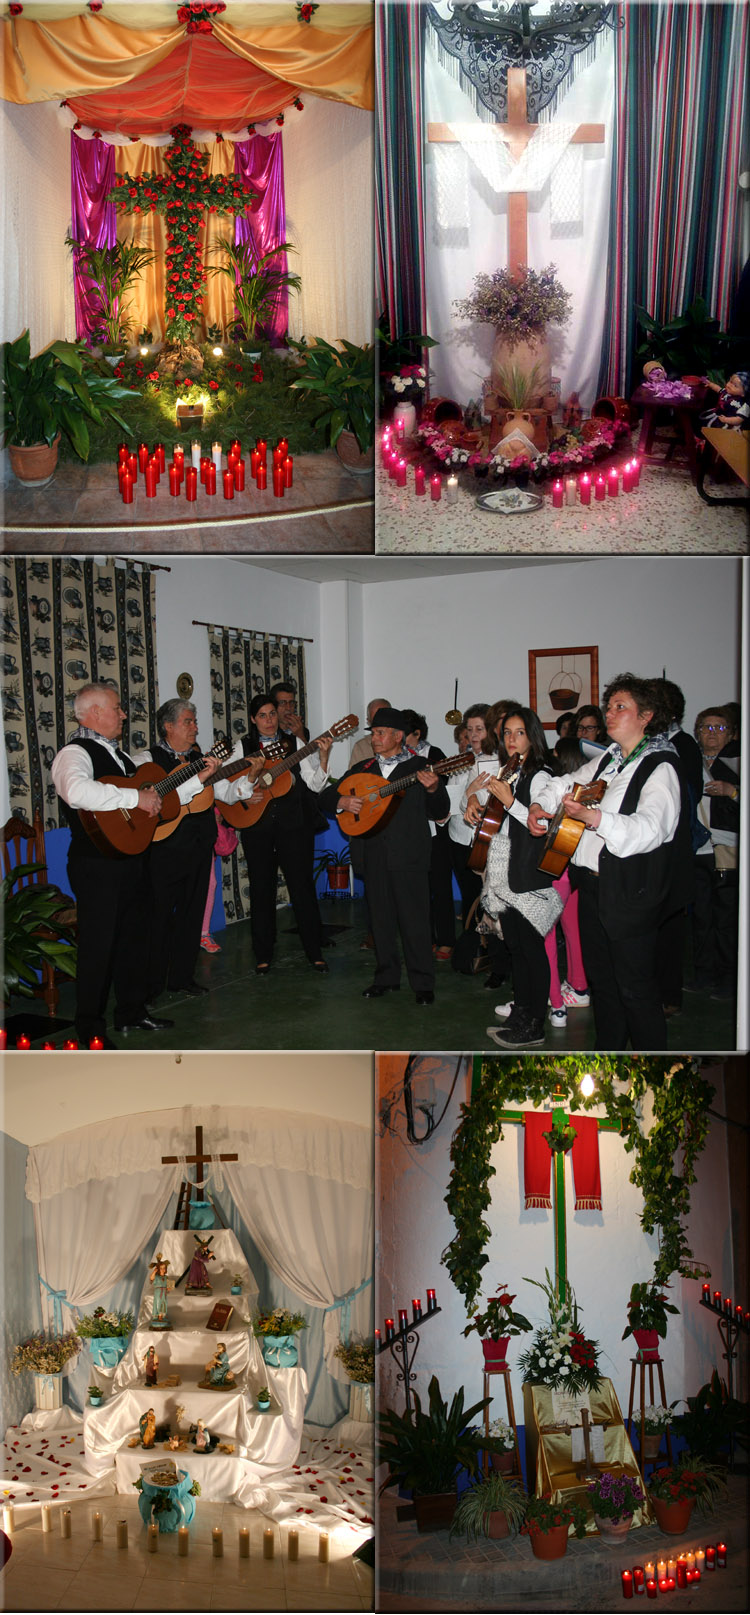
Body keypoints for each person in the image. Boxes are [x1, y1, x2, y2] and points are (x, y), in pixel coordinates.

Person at [527, 674, 689, 1050]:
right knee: (604, 984)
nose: (610, 714)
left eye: (621, 707)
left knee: (635, 988)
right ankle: (610, 1053)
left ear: (646, 716)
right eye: (609, 707)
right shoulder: (610, 760)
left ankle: (651, 1063)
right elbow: (565, 782)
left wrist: (596, 819)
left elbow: (652, 829)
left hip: (630, 890)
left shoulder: (660, 766)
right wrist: (540, 804)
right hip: (594, 886)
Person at [50, 682, 174, 1046]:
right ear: (93, 712)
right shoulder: (73, 754)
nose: (123, 714)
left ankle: (131, 1012)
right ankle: (89, 1030)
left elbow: (147, 795)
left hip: (131, 860)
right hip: (97, 864)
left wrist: (193, 780)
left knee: (134, 940)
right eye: (117, 708)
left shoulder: (120, 756)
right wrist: (136, 796)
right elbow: (76, 792)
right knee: (98, 947)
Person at [330, 707, 450, 1004]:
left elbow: (440, 811)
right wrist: (342, 800)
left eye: (381, 733)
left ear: (399, 736)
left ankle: (422, 983)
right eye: (374, 733)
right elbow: (326, 796)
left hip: (409, 855)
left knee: (415, 922)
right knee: (380, 922)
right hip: (372, 854)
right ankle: (386, 978)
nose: (375, 739)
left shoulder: (422, 766)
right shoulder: (364, 768)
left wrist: (434, 789)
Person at [466, 706, 561, 1048]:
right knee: (517, 947)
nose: (511, 739)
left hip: (528, 874)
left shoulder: (541, 776)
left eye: (519, 732)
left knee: (532, 951)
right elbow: (501, 823)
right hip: (507, 870)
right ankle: (521, 1014)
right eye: (507, 733)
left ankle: (534, 1023)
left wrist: (510, 803)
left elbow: (542, 826)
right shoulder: (511, 773)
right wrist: (476, 810)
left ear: (533, 736)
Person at [225, 693, 332, 975]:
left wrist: (323, 757)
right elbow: (226, 786)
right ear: (252, 719)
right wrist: (246, 794)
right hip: (256, 827)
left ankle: (314, 952)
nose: (269, 720)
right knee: (262, 890)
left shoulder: (293, 743)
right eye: (262, 715)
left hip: (294, 826)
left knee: (302, 888)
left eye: (273, 713)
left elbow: (314, 784)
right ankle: (263, 954)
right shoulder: (242, 747)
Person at [143, 698, 239, 1002]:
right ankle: (152, 982)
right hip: (164, 847)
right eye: (188, 721)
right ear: (168, 726)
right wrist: (197, 777)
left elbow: (224, 793)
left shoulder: (202, 757)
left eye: (195, 721)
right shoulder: (147, 760)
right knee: (158, 916)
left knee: (192, 913)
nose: (195, 727)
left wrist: (247, 780)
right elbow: (153, 797)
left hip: (200, 845)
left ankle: (182, 977)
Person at [691, 704, 740, 999]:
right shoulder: (690, 760)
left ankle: (730, 979)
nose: (711, 733)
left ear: (731, 733)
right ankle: (703, 974)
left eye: (719, 728)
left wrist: (732, 791)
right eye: (706, 727)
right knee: (702, 917)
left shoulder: (738, 761)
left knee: (726, 918)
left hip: (728, 847)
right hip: (698, 849)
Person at [402, 708, 454, 960]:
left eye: (404, 733)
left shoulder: (435, 756)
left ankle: (445, 940)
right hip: (409, 832)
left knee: (440, 887)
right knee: (415, 891)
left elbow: (442, 793)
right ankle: (424, 940)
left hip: (435, 831)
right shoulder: (396, 757)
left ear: (417, 733)